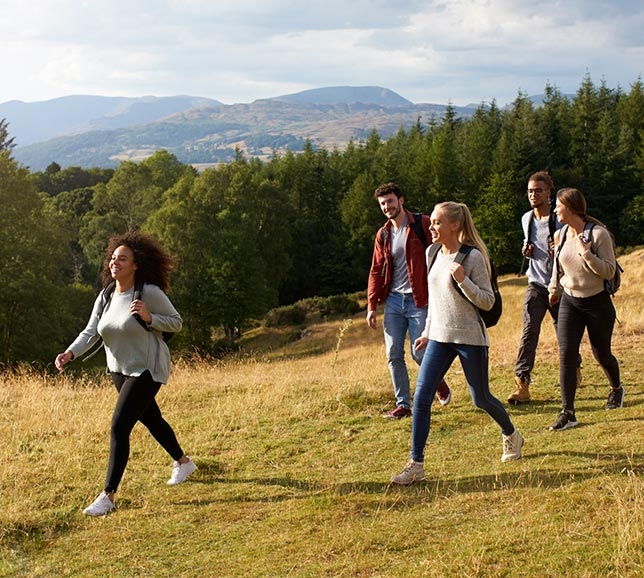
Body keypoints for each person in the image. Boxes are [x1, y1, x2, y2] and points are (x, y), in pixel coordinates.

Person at [55, 231, 196, 516]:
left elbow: (176, 323)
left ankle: (108, 496)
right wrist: (70, 352)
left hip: (147, 368)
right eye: (113, 258)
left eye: (122, 259)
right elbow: (91, 331)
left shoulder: (149, 293)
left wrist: (149, 317)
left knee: (119, 427)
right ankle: (184, 462)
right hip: (118, 370)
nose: (114, 263)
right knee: (152, 419)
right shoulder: (106, 295)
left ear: (135, 265)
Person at [391, 202, 523, 485]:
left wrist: (463, 281)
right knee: (422, 398)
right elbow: (435, 301)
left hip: (469, 338)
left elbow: (487, 301)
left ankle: (511, 434)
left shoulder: (472, 257)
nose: (431, 226)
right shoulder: (432, 252)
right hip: (439, 337)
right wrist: (427, 331)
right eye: (432, 222)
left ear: (455, 225)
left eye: (437, 222)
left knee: (480, 398)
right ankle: (416, 464)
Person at [367, 182, 451, 419]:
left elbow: (442, 249)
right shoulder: (383, 234)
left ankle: (438, 382)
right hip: (393, 300)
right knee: (393, 353)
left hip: (419, 299)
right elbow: (376, 269)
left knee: (419, 353)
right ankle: (403, 404)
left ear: (401, 201)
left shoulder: (421, 224)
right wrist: (372, 305)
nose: (387, 207)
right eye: (383, 204)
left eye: (390, 201)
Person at [547, 188, 623, 431]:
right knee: (567, 354)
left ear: (570, 207)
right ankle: (568, 412)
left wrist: (587, 254)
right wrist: (553, 288)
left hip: (597, 303)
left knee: (601, 354)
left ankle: (616, 389)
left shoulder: (598, 234)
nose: (555, 209)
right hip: (570, 301)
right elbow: (557, 267)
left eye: (558, 205)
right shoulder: (560, 234)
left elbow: (609, 271)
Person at [508, 172, 582, 404]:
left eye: (538, 190)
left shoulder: (561, 218)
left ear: (549, 192)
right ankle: (522, 383)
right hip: (536, 284)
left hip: (561, 286)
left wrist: (562, 244)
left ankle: (574, 367)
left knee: (565, 334)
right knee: (529, 332)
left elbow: (577, 242)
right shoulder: (526, 219)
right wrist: (526, 251)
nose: (533, 194)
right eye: (530, 191)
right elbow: (530, 245)